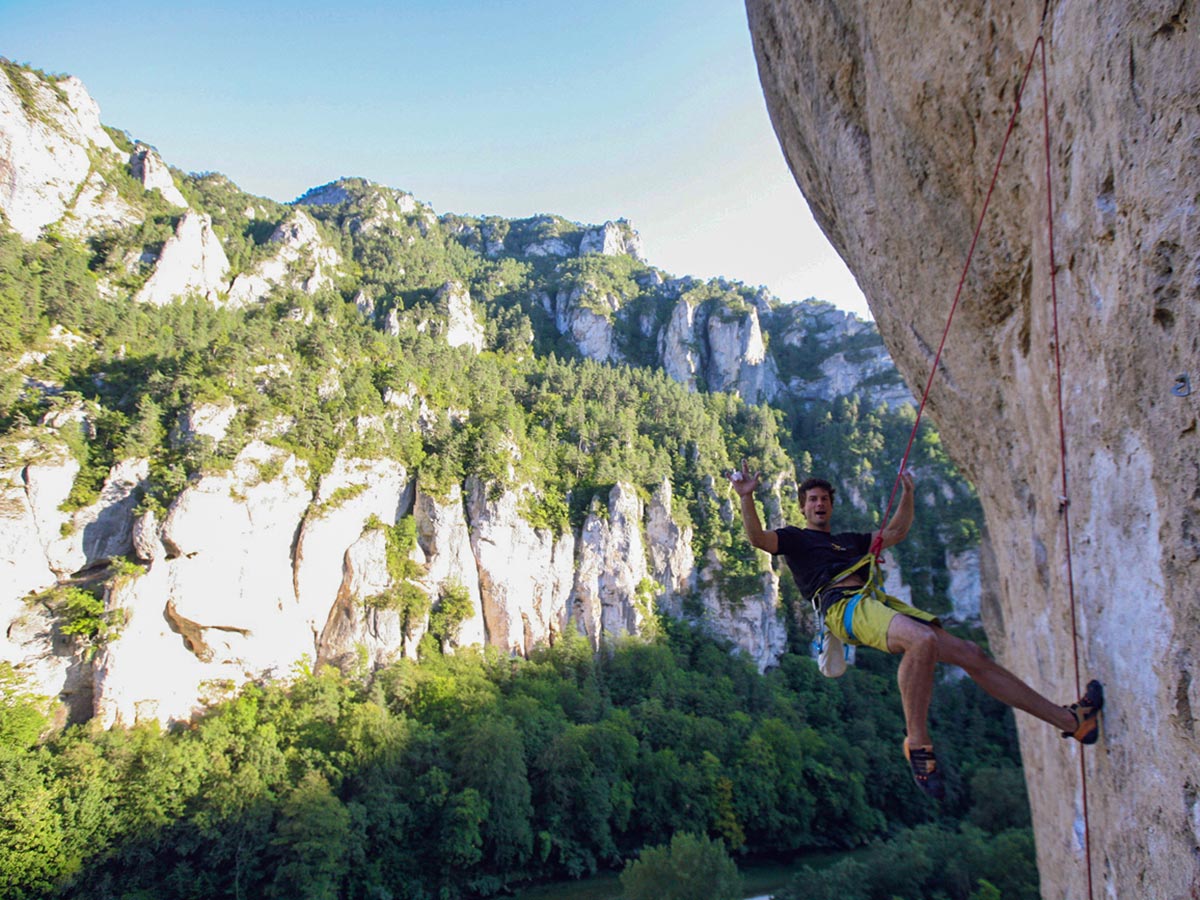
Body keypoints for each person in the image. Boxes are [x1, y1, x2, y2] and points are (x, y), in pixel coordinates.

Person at [728, 460, 1103, 799]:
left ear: (832, 504)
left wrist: (908, 493)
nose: (819, 504)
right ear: (803, 506)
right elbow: (759, 539)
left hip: (877, 604)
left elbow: (897, 532)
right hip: (843, 608)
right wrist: (747, 497)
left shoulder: (851, 541)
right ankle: (918, 743)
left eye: (824, 498)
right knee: (920, 641)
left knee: (973, 655)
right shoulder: (796, 538)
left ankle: (1073, 722)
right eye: (812, 499)